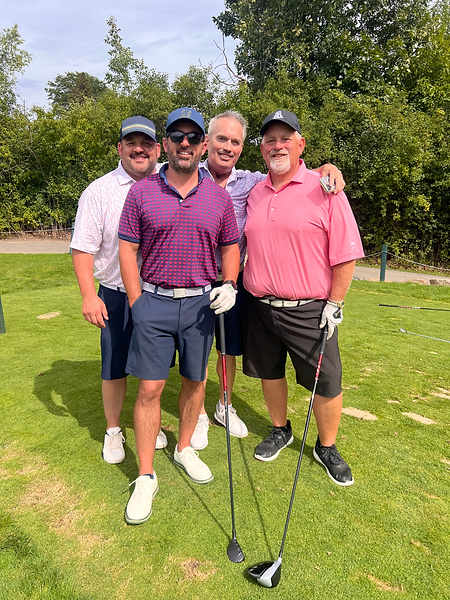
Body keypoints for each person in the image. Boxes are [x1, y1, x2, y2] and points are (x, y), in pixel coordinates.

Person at [190, 110, 347, 451]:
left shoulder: (251, 182)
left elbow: (293, 174)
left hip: (234, 284)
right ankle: (203, 414)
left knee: (228, 350)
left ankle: (226, 406)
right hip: (199, 283)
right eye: (221, 138)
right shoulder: (190, 175)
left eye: (235, 141)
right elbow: (153, 168)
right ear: (206, 143)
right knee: (205, 354)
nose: (227, 146)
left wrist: (327, 168)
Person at [118, 107, 240, 524]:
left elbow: (230, 247)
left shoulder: (219, 197)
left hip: (200, 306)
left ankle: (184, 447)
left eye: (192, 137)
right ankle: (146, 475)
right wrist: (136, 302)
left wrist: (230, 283)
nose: (184, 143)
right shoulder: (142, 192)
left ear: (203, 145)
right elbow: (127, 250)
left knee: (195, 380)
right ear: (165, 144)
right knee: (150, 388)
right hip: (153, 301)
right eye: (177, 136)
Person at [242, 109, 364, 486]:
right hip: (260, 306)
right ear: (262, 148)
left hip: (310, 310)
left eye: (285, 138)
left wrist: (335, 303)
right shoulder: (254, 191)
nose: (277, 145)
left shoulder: (325, 187)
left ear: (301, 145)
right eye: (270, 140)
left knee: (326, 381)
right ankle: (281, 429)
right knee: (269, 372)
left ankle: (326, 447)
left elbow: (345, 252)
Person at [70, 116, 168, 465]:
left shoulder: (171, 182)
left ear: (159, 149)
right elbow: (83, 247)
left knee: (153, 368)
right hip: (115, 293)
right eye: (131, 143)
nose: (139, 149)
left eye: (146, 143)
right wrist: (88, 294)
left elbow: (217, 164)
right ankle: (113, 429)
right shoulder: (99, 191)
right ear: (120, 148)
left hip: (157, 293)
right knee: (114, 367)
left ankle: (149, 423)